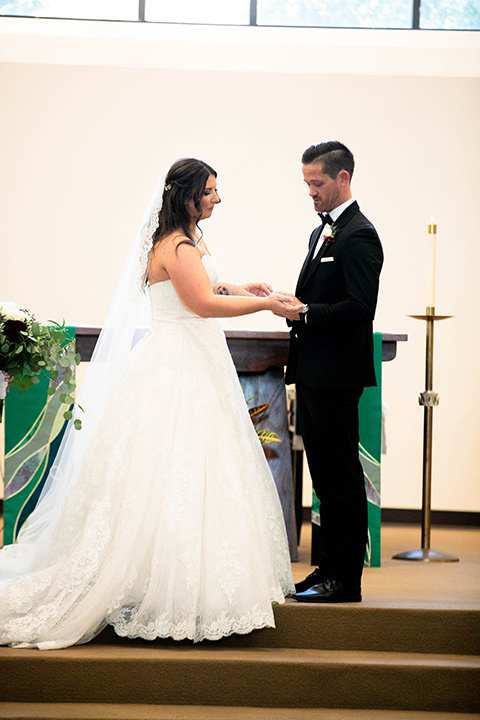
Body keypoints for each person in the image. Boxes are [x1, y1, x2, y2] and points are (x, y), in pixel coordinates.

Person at [0, 158, 296, 649]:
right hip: (178, 364)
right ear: (186, 195)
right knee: (169, 470)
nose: (217, 199)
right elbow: (201, 305)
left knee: (196, 472)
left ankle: (196, 587)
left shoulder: (188, 242)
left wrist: (242, 289)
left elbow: (206, 290)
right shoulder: (176, 245)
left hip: (196, 358)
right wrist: (265, 306)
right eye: (210, 191)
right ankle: (160, 588)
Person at [275, 141, 383, 603]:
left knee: (340, 478)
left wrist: (306, 313)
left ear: (342, 178)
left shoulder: (359, 234)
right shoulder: (323, 231)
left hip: (337, 376)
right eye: (307, 185)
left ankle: (346, 579)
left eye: (316, 184)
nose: (311, 193)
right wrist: (294, 307)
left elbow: (361, 308)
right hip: (316, 372)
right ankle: (328, 568)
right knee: (324, 477)